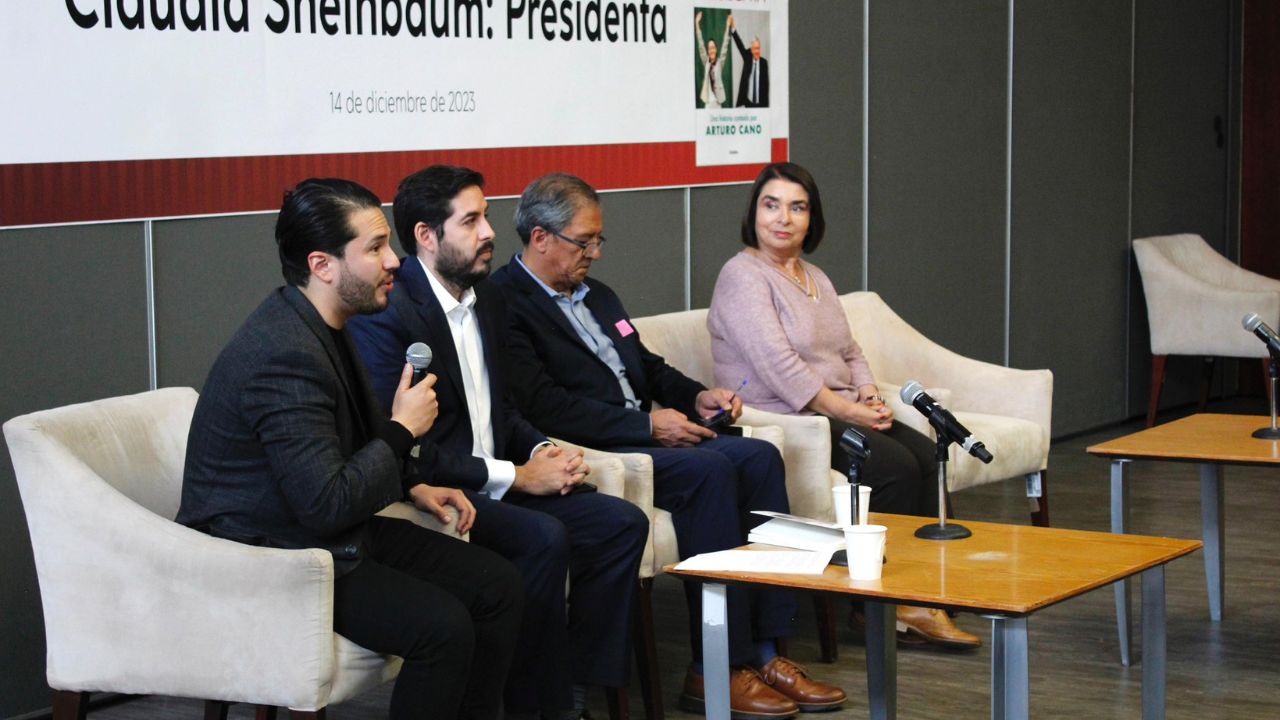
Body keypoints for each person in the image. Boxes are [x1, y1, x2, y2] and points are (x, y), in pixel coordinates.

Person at [490, 173, 846, 718]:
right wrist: (649, 429)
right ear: (541, 238)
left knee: (758, 455)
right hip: (604, 448)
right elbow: (543, 406)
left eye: (598, 240)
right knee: (709, 471)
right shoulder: (505, 303)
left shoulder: (598, 295)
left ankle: (770, 651)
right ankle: (714, 669)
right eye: (585, 242)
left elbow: (648, 368)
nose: (596, 253)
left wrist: (698, 395)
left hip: (648, 434)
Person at [177, 178, 524, 720]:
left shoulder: (325, 322)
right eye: (375, 248)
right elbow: (325, 503)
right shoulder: (284, 354)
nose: (394, 261)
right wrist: (402, 430)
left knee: (497, 583)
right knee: (443, 627)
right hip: (272, 556)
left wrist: (414, 482)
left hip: (326, 533)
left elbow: (346, 453)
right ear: (323, 265)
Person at [347, 165, 649, 720]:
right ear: (425, 236)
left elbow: (504, 411)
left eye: (485, 216)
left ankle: (575, 689)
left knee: (620, 525)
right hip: (449, 490)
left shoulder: (487, 300)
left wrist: (539, 452)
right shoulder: (390, 315)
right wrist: (515, 476)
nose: (489, 232)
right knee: (542, 538)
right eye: (472, 220)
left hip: (501, 478)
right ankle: (538, 706)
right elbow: (410, 448)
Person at [706, 162, 982, 649]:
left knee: (924, 456)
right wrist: (850, 411)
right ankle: (879, 608)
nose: (782, 218)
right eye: (771, 205)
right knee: (894, 468)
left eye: (797, 207)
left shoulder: (812, 276)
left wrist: (871, 395)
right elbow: (780, 366)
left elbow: (849, 350)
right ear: (754, 213)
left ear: (812, 220)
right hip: (787, 419)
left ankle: (922, 591)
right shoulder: (743, 276)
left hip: (834, 410)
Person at [728, 14, 769, 107]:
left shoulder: (764, 63)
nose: (757, 51)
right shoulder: (747, 57)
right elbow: (739, 45)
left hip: (760, 105)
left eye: (758, 48)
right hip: (747, 103)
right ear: (751, 49)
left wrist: (766, 109)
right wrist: (733, 27)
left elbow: (766, 88)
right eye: (754, 49)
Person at [695, 10, 730, 109]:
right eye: (709, 48)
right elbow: (701, 45)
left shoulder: (720, 62)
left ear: (716, 49)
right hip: (708, 103)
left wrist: (727, 27)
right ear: (708, 51)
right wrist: (697, 24)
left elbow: (725, 46)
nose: (711, 50)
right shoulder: (706, 62)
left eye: (713, 47)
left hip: (718, 103)